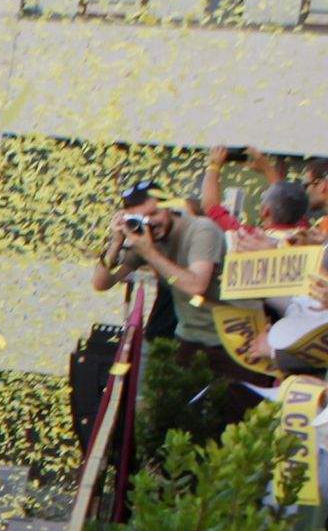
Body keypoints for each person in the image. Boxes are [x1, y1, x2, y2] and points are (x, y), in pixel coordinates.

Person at [91, 179, 236, 456]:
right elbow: (101, 282)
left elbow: (196, 285)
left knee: (208, 419)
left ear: (171, 208)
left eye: (154, 213)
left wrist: (149, 253)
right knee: (156, 413)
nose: (149, 223)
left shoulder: (200, 232)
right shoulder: (149, 241)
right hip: (178, 337)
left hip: (220, 340)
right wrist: (117, 241)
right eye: (140, 217)